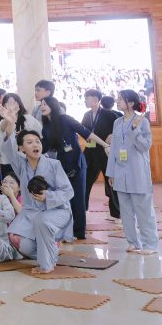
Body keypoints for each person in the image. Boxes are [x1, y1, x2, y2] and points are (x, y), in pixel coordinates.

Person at [0, 102, 74, 273]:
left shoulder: (54, 164)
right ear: (22, 148)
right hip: (31, 213)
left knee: (42, 221)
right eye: (29, 142)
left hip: (57, 210)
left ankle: (46, 265)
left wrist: (49, 196)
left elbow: (68, 191)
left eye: (37, 142)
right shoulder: (20, 164)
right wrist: (10, 123)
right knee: (21, 244)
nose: (35, 145)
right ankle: (50, 252)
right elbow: (8, 150)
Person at [40, 97, 109, 240]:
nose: (42, 106)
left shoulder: (65, 119)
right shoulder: (46, 126)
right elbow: (44, 147)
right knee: (64, 199)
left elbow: (86, 133)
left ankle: (79, 231)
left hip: (76, 163)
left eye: (45, 104)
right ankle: (67, 230)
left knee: (78, 198)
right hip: (61, 164)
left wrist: (105, 145)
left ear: (53, 105)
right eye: (41, 104)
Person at [106, 89, 160, 254]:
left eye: (121, 99)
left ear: (130, 103)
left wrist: (135, 129)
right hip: (120, 172)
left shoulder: (142, 121)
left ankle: (150, 245)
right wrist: (111, 172)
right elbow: (114, 149)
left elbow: (145, 146)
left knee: (144, 211)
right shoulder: (117, 122)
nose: (117, 101)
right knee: (126, 211)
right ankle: (133, 242)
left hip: (137, 172)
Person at [81, 89, 121, 219]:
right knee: (85, 181)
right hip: (89, 153)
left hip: (106, 153)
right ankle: (83, 209)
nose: (85, 101)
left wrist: (112, 136)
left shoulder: (109, 115)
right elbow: (83, 130)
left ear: (95, 100)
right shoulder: (86, 115)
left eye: (87, 98)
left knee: (111, 183)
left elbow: (119, 130)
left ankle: (116, 213)